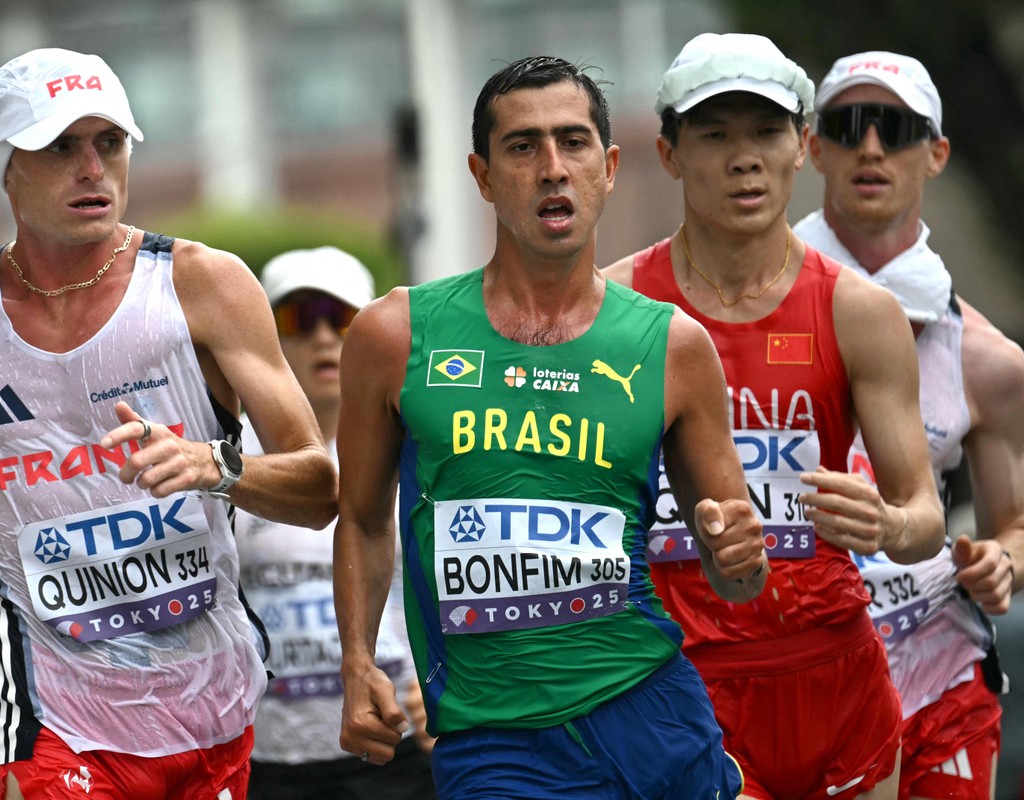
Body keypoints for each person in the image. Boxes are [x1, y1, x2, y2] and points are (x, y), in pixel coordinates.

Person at [0, 48, 336, 800]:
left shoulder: (202, 285)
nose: (93, 167)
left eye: (109, 143)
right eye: (61, 146)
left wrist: (216, 466)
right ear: (6, 164)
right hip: (51, 711)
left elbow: (321, 487)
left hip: (208, 704)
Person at [334, 55, 769, 800]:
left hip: (651, 710)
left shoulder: (674, 346)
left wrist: (739, 551)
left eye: (572, 143)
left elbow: (737, 577)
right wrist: (358, 662)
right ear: (481, 173)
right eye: (522, 147)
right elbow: (365, 518)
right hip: (493, 738)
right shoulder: (395, 333)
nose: (552, 168)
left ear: (609, 166)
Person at [601, 33, 947, 800]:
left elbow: (925, 516)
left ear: (801, 148)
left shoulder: (858, 311)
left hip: (837, 673)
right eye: (715, 135)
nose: (744, 158)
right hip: (683, 680)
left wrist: (888, 527)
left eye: (765, 132)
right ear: (669, 153)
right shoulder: (614, 310)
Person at [793, 50, 1024, 800]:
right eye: (848, 125)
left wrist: (1002, 564)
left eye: (893, 128)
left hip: (939, 677)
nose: (869, 147)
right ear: (813, 147)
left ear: (936, 154)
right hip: (795, 681)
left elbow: (1015, 523)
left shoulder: (985, 359)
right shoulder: (733, 322)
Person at [235, 246, 436, 800]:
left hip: (395, 751)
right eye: (299, 318)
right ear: (269, 336)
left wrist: (454, 688)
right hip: (267, 761)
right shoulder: (229, 458)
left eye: (341, 317)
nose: (322, 336)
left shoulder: (418, 447)